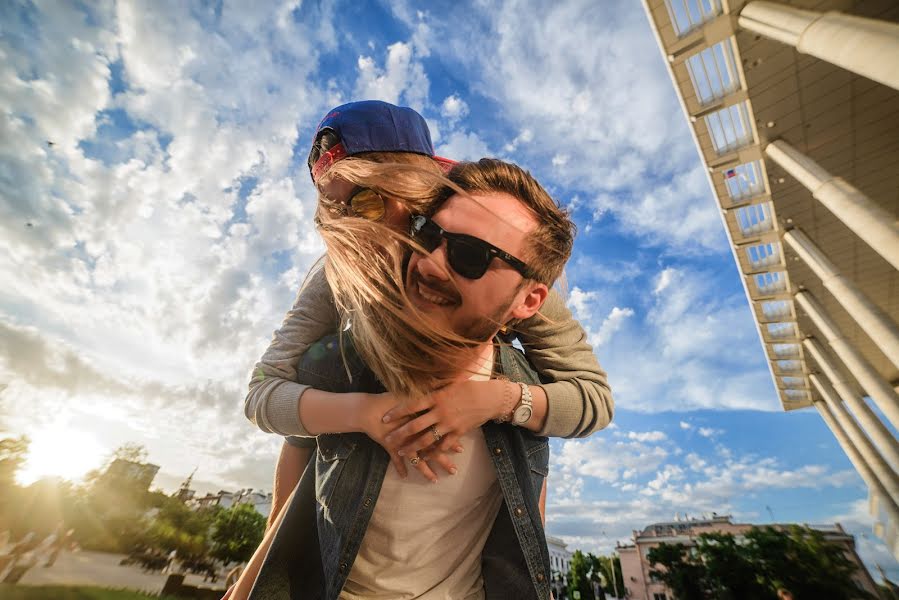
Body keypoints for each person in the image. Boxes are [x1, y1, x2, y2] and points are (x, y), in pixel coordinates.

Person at [245, 100, 613, 525]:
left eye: (367, 202)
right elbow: (267, 393)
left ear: (414, 187)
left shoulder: (504, 272)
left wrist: (496, 399)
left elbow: (592, 398)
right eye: (334, 208)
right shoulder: (338, 271)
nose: (352, 228)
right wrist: (366, 413)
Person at [234, 157, 577, 600]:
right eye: (429, 235)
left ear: (529, 301)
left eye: (470, 256)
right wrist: (252, 581)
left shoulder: (524, 394)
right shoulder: (338, 362)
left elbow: (529, 518)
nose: (430, 264)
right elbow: (290, 492)